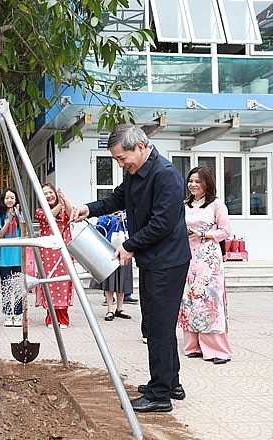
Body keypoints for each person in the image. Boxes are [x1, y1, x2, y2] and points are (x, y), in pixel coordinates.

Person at [71, 124, 191, 413]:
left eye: (122, 158)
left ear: (140, 146)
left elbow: (162, 223)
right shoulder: (136, 172)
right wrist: (89, 208)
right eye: (116, 160)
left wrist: (130, 245)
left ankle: (160, 394)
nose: (121, 164)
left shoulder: (166, 175)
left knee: (159, 326)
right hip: (153, 259)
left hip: (168, 260)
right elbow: (118, 199)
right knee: (156, 322)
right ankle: (170, 382)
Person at [179, 167, 233, 364]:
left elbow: (225, 231)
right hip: (187, 256)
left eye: (198, 181)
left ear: (207, 184)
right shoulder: (184, 204)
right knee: (190, 300)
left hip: (209, 257)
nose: (193, 184)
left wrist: (204, 235)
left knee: (209, 300)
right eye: (190, 181)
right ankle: (193, 346)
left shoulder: (217, 205)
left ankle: (217, 350)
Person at [34, 183, 74, 328]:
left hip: (64, 251)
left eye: (51, 192)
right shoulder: (39, 211)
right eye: (45, 194)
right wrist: (61, 204)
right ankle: (51, 317)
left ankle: (63, 318)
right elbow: (49, 216)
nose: (49, 195)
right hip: (48, 252)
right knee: (49, 283)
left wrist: (65, 200)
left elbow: (72, 215)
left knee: (64, 282)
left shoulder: (64, 207)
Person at [92, 211, 134, 322]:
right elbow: (99, 229)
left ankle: (120, 308)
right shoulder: (106, 215)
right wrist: (111, 217)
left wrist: (123, 218)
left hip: (125, 249)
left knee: (123, 279)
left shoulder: (127, 213)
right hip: (108, 250)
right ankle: (109, 309)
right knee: (109, 281)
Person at [0, 187, 26, 327]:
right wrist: (9, 220)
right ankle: (8, 314)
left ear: (16, 199)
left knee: (18, 286)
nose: (9, 200)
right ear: (3, 200)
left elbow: (24, 233)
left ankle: (18, 315)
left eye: (12, 198)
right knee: (6, 286)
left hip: (18, 256)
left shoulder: (21, 214)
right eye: (7, 198)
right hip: (4, 257)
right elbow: (0, 235)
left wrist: (18, 217)